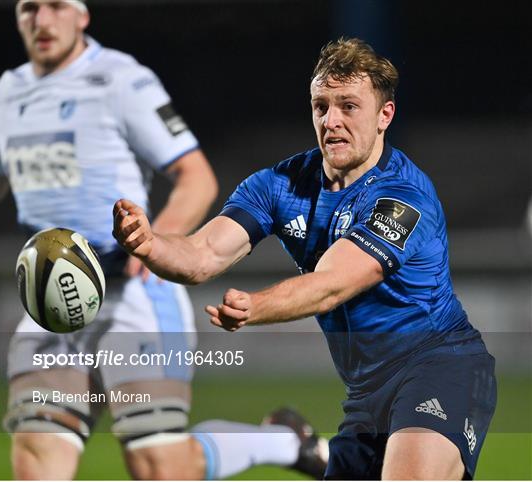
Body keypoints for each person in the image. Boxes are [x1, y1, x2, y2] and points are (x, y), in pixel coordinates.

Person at [114, 37, 498, 480]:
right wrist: (149, 244)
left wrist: (256, 307)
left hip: (439, 365)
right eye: (321, 106)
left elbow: (332, 284)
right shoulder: (279, 185)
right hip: (365, 392)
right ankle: (307, 450)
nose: (331, 121)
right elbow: (202, 254)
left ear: (384, 116)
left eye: (348, 106)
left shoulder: (403, 196)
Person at [0, 0, 328, 479]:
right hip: (49, 301)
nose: (42, 20)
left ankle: (282, 441)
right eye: (29, 8)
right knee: (36, 459)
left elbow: (196, 178)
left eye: (56, 6)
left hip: (132, 295)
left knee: (162, 468)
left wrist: (153, 248)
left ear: (82, 15)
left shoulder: (119, 79)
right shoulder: (7, 93)